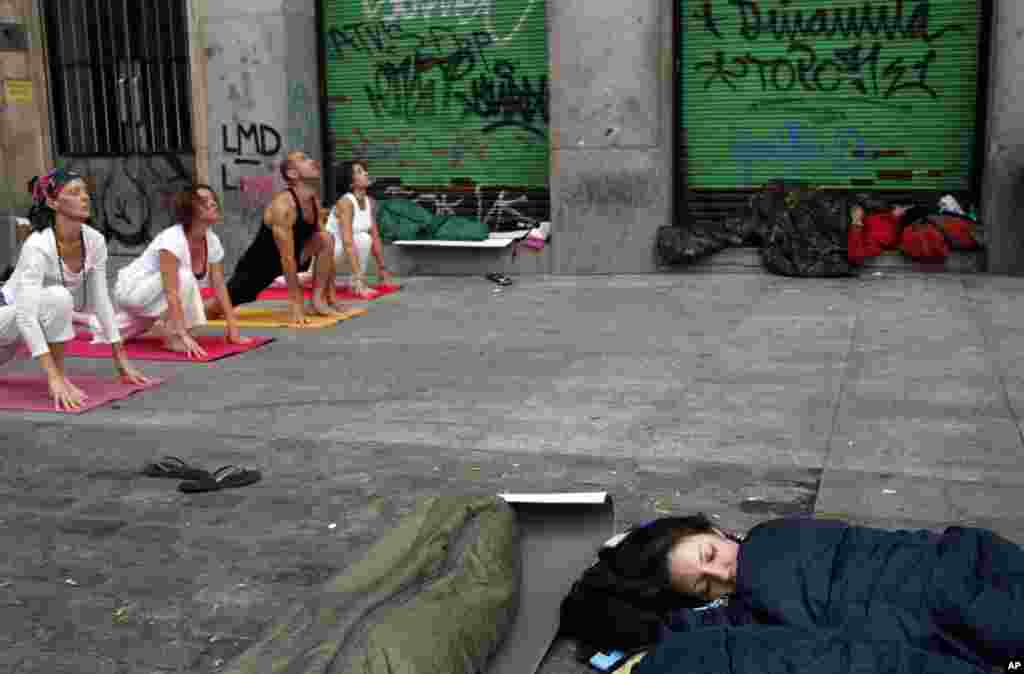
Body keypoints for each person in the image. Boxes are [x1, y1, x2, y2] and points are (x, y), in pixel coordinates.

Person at [625, 515, 1024, 674]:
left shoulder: (777, 537)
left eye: (710, 555)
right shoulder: (747, 614)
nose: (723, 573)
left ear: (716, 532)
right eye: (705, 586)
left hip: (953, 572)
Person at [0, 169, 149, 411]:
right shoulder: (38, 245)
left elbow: (101, 300)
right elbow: (25, 316)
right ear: (53, 203)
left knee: (60, 300)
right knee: (59, 297)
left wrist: (120, 356)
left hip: (12, 343)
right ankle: (58, 377)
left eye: (85, 191)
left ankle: (61, 375)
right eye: (74, 192)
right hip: (5, 318)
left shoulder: (94, 240)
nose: (85, 197)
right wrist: (52, 378)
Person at [105, 184, 251, 359]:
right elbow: (171, 291)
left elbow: (219, 286)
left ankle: (81, 317)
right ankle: (172, 336)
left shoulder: (212, 241)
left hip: (155, 297)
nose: (213, 203)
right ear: (189, 210)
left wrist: (233, 327)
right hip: (133, 291)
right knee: (185, 276)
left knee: (109, 332)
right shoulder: (172, 240)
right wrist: (181, 334)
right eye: (204, 201)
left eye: (213, 199)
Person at [205, 150, 342, 326]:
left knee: (326, 238)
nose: (312, 161)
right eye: (304, 159)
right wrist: (296, 304)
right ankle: (184, 310)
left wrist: (331, 296)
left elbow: (326, 248)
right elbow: (287, 258)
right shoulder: (283, 206)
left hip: (297, 255)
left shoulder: (312, 199)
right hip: (260, 267)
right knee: (213, 310)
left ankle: (317, 300)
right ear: (292, 174)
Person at [324, 160, 394, 296]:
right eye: (359, 172)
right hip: (329, 255)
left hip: (347, 253)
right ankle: (357, 282)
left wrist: (382, 269)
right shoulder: (346, 202)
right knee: (307, 278)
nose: (366, 173)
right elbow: (347, 242)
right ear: (351, 183)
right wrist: (360, 279)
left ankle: (354, 284)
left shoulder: (370, 202)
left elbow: (375, 236)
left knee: (365, 238)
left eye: (364, 170)